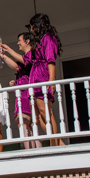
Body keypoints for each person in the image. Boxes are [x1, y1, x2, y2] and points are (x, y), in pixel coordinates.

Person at [29, 13, 64, 147]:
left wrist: (51, 80)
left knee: (46, 112)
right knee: (37, 117)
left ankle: (54, 144)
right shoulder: (41, 39)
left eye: (32, 26)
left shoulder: (48, 38)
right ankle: (58, 143)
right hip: (36, 80)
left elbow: (51, 60)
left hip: (43, 78)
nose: (31, 29)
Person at [0, 32, 37, 149]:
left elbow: (16, 66)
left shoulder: (30, 54)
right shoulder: (26, 57)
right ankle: (34, 150)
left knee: (23, 122)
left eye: (19, 40)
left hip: (25, 92)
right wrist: (17, 81)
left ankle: (29, 151)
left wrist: (4, 53)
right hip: (23, 89)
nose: (18, 43)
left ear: (27, 41)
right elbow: (21, 69)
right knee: (29, 125)